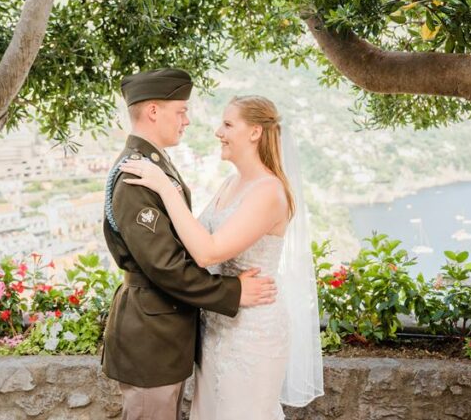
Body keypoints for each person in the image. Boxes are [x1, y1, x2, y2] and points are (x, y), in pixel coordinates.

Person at [120, 94, 324, 419]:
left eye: (228, 124)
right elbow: (189, 238)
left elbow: (207, 251)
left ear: (255, 132)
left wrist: (165, 188)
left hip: (252, 333)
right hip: (217, 328)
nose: (218, 131)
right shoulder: (231, 183)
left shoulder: (269, 192)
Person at [101, 69, 279, 420]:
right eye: (181, 110)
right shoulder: (137, 175)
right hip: (151, 339)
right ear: (154, 111)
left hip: (166, 334)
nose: (187, 120)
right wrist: (232, 292)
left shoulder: (155, 165)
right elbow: (166, 266)